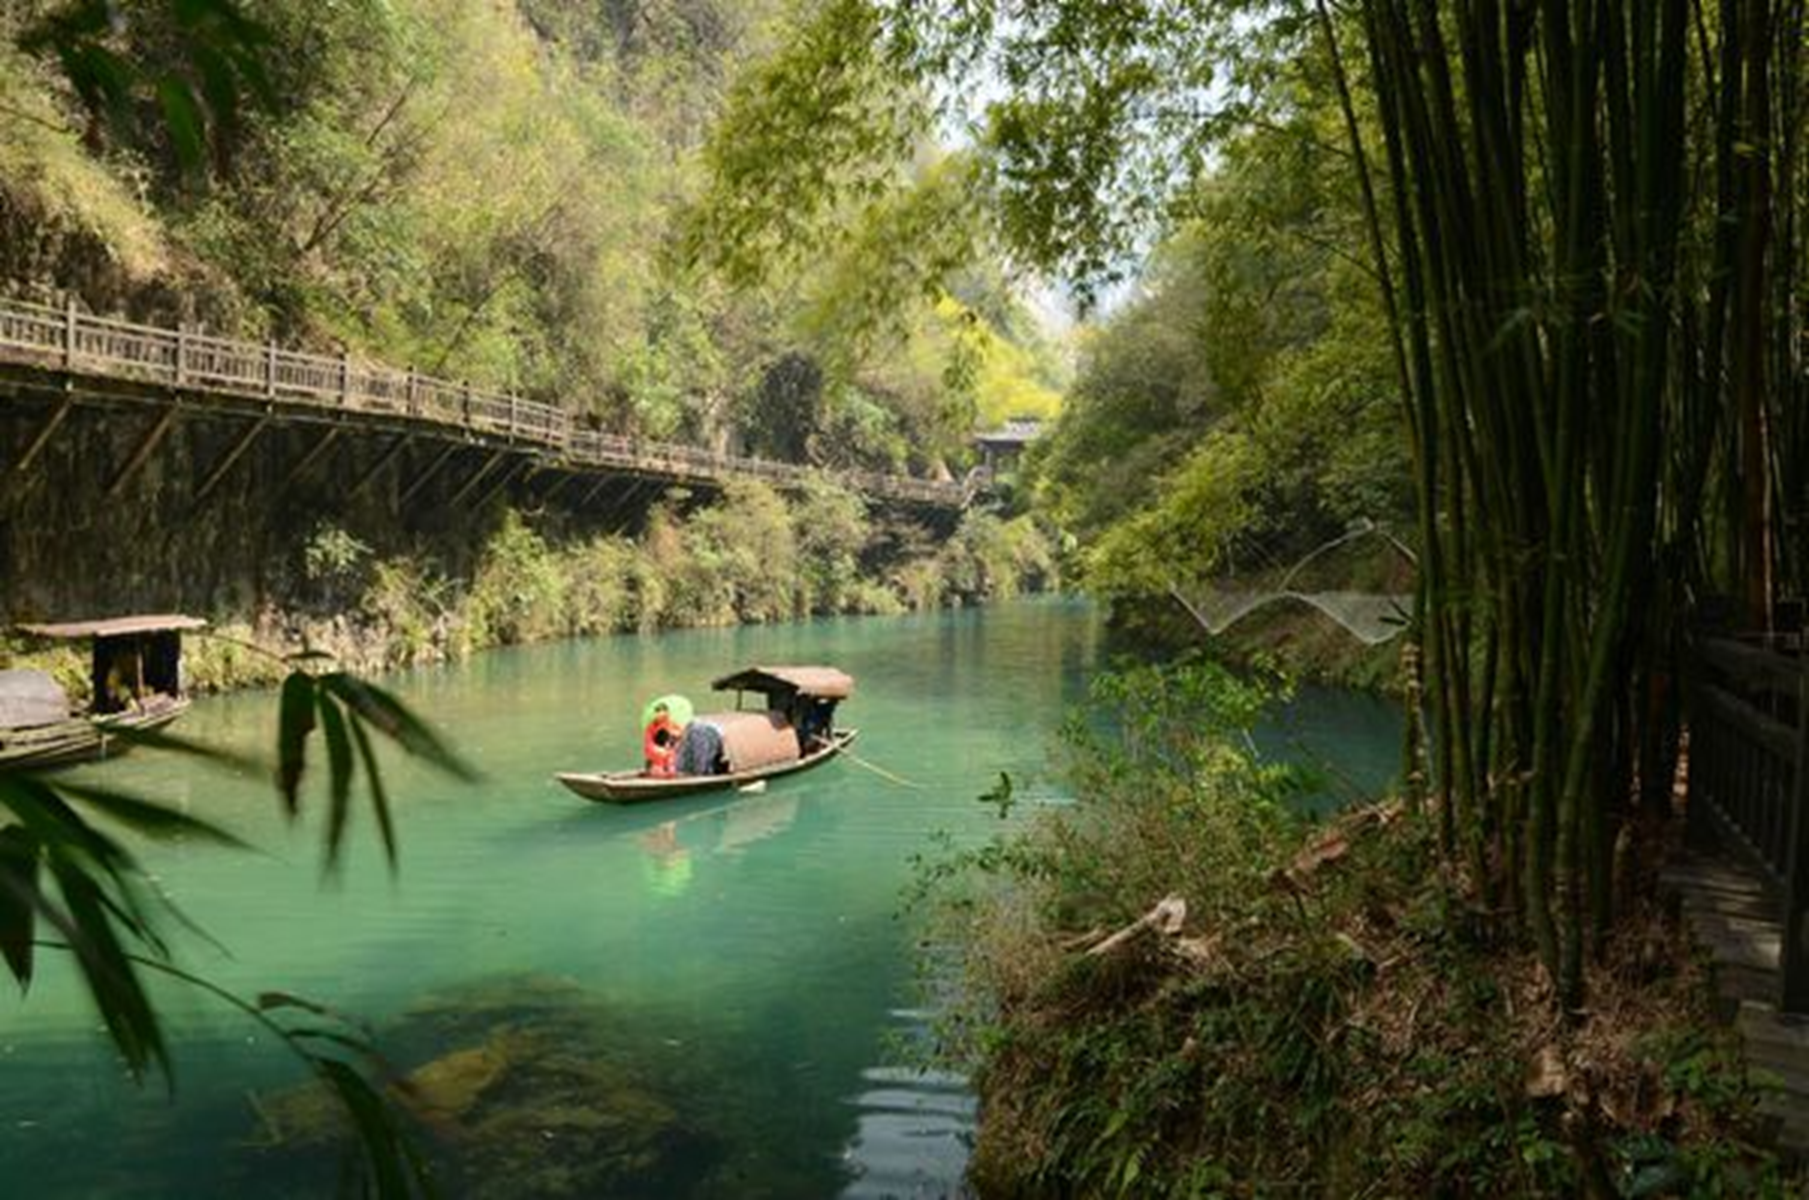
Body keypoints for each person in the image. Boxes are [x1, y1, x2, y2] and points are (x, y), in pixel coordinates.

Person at [643, 704, 681, 777]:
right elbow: (648, 744)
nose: (661, 714)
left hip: (670, 752)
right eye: (658, 712)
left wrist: (674, 736)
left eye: (663, 711)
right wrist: (658, 749)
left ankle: (668, 768)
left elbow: (680, 737)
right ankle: (655, 768)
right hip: (656, 754)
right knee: (659, 770)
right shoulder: (650, 728)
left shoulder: (672, 724)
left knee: (671, 770)